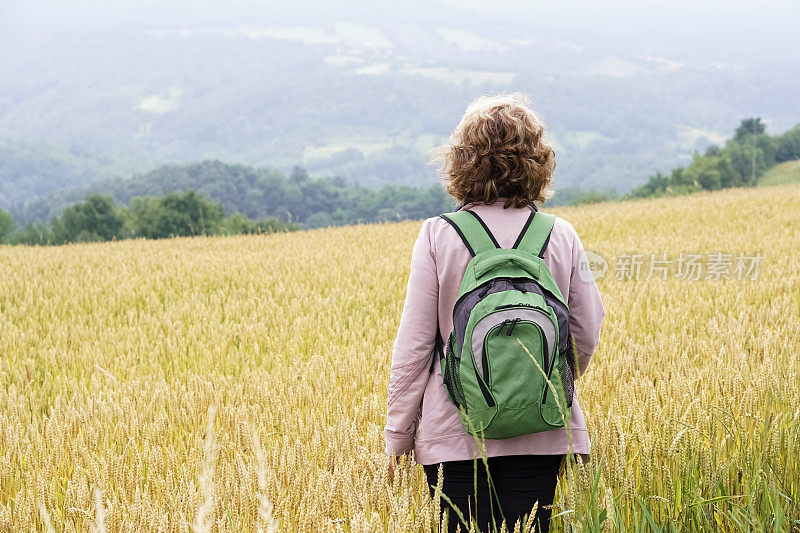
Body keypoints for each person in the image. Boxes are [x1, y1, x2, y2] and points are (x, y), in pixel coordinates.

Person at [384, 93, 605, 532]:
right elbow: (585, 330)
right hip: (541, 428)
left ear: (462, 159)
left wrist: (397, 436)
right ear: (538, 159)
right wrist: (538, 383)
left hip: (453, 431)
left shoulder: (437, 236)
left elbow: (413, 348)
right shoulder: (561, 235)